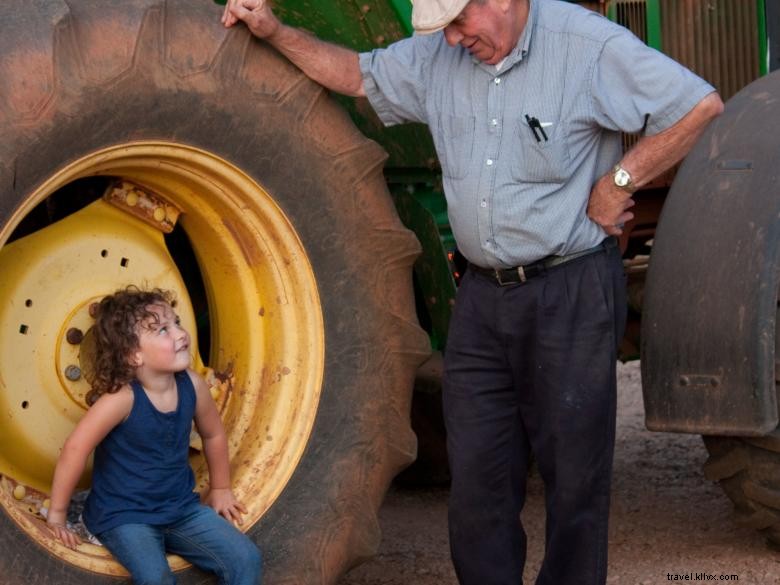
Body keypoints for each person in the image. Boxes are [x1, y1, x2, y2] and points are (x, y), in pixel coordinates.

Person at [221, 0, 723, 583]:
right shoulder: (440, 55)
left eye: (459, 23)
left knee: (574, 475)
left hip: (571, 289)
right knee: (478, 477)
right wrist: (274, 31)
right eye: (443, 28)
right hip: (483, 298)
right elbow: (356, 74)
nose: (453, 40)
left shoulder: (587, 46)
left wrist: (619, 181)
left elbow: (697, 105)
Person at [47, 287, 262, 585]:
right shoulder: (121, 400)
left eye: (176, 322)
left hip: (180, 509)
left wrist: (221, 487)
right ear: (133, 355)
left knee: (246, 559)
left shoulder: (193, 386)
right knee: (156, 579)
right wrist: (57, 515)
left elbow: (212, 435)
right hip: (125, 516)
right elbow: (75, 449)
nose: (180, 334)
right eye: (162, 329)